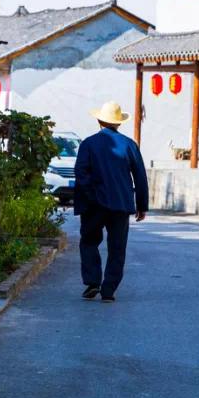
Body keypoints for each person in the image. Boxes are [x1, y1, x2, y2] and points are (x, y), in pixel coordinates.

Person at [74, 101, 149, 303]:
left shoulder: (88, 144)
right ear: (118, 123)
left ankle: (92, 282)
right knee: (117, 247)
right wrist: (142, 206)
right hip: (120, 204)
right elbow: (140, 176)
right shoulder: (129, 145)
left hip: (93, 205)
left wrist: (91, 195)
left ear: (99, 121)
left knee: (89, 242)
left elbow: (80, 173)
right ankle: (108, 290)